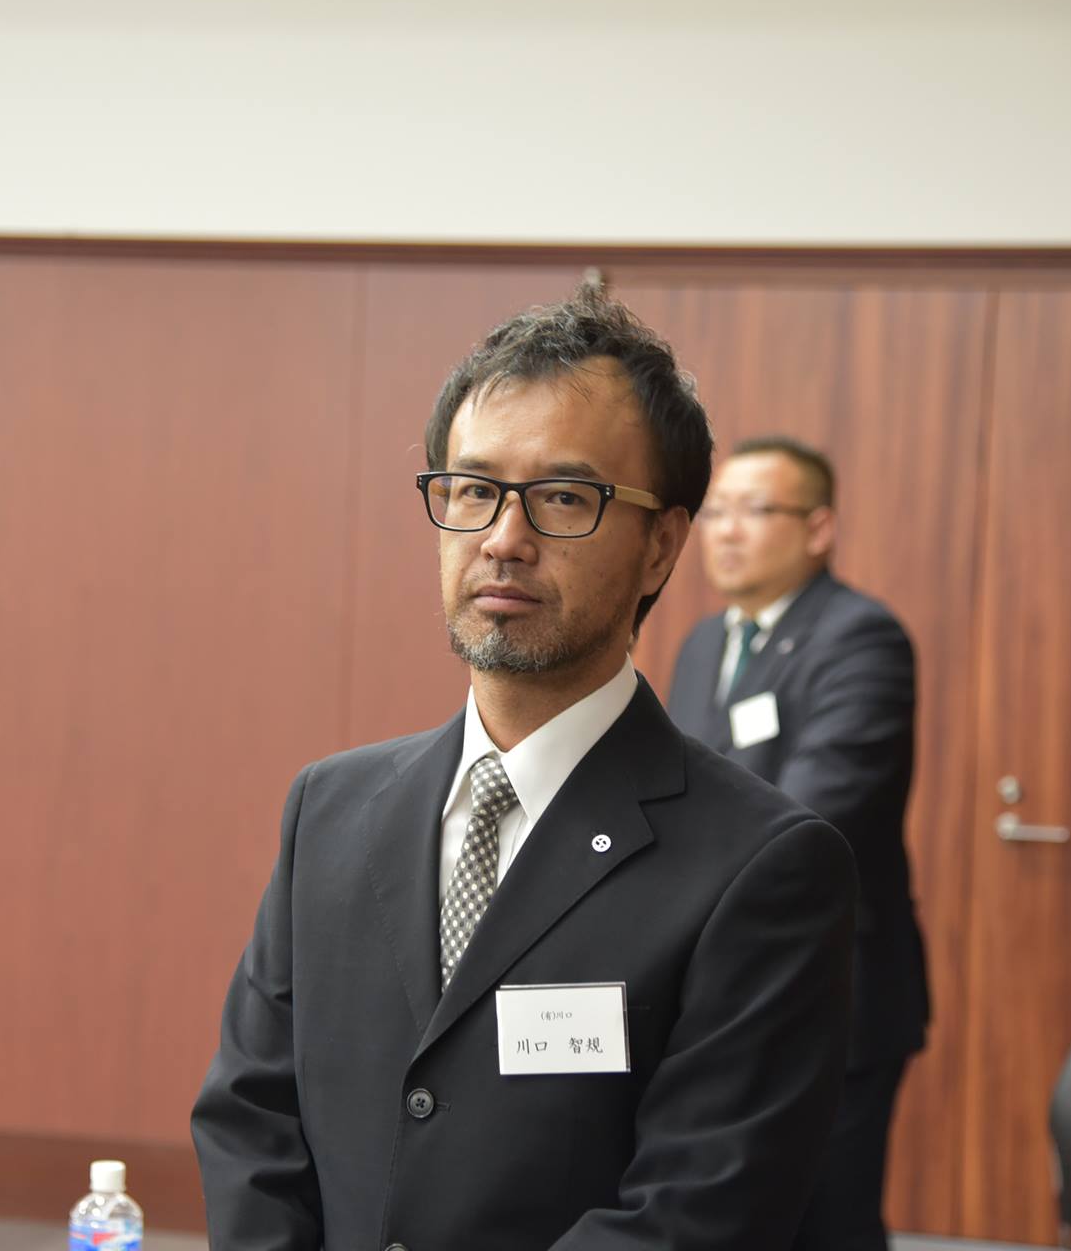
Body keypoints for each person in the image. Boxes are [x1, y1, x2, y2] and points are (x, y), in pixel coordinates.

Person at [192, 287, 858, 1250]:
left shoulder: (763, 866)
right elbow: (252, 1120)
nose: (504, 538)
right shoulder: (331, 809)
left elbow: (693, 1214)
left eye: (563, 498)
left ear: (662, 546)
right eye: (473, 490)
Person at [666, 436, 932, 1251]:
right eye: (715, 511)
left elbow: (813, 813)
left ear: (818, 528)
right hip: (724, 989)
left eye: (754, 510)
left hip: (831, 990)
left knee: (828, 1225)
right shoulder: (704, 643)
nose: (725, 530)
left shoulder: (860, 638)